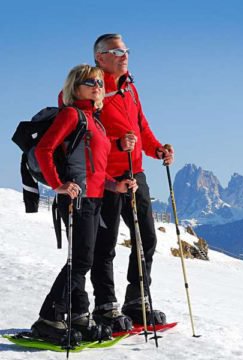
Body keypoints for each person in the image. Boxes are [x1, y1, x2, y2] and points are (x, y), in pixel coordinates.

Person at [32, 64, 138, 343]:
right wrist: (58, 185)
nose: (97, 87)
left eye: (100, 83)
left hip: (95, 198)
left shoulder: (96, 121)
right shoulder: (71, 114)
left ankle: (79, 314)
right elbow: (45, 148)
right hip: (77, 200)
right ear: (75, 86)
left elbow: (95, 168)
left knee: (85, 259)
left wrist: (115, 185)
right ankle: (49, 318)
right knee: (79, 259)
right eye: (90, 82)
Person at [91, 33, 174, 330]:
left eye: (125, 49)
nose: (124, 55)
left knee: (147, 238)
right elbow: (85, 134)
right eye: (116, 51)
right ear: (100, 57)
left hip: (135, 174)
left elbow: (141, 127)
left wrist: (156, 149)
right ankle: (105, 307)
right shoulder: (91, 88)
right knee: (106, 243)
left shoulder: (129, 88)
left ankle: (137, 300)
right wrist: (116, 145)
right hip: (106, 178)